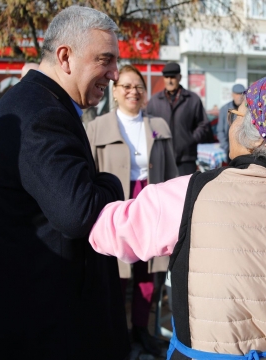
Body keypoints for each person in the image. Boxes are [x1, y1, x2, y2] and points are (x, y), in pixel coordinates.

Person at [90, 73, 266, 359]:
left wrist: (104, 184)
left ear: (258, 133)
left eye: (238, 114)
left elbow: (106, 233)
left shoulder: (184, 197)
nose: (232, 121)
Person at [0, 6, 129, 359]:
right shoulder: (43, 112)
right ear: (65, 57)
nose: (114, 74)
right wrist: (111, 182)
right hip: (43, 322)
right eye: (105, 60)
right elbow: (78, 213)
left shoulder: (37, 102)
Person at [86, 64, 178, 356]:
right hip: (116, 207)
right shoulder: (96, 127)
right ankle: (114, 332)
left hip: (151, 206)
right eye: (125, 86)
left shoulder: (159, 126)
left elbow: (172, 173)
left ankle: (141, 329)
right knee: (116, 273)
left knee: (147, 273)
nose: (132, 92)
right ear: (114, 92)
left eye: (138, 86)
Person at [146, 62, 213, 175]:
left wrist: (190, 139)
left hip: (186, 159)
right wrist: (155, 140)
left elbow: (203, 124)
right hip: (162, 158)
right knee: (163, 191)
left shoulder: (192, 99)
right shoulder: (155, 101)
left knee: (185, 191)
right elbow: (148, 125)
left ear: (179, 77)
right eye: (166, 77)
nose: (169, 80)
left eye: (173, 77)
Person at [216, 83, 246, 156]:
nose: (239, 97)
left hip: (245, 148)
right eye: (237, 94)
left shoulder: (249, 109)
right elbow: (220, 130)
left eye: (241, 94)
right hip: (230, 148)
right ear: (232, 95)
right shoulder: (224, 109)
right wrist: (226, 146)